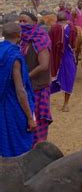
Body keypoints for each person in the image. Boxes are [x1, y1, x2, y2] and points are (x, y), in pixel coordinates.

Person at [0, 23, 36, 157]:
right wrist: (29, 118)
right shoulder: (15, 57)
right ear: (18, 36)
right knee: (18, 145)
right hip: (12, 107)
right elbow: (20, 91)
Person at [18, 11, 52, 144]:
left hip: (38, 87)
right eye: (19, 21)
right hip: (26, 87)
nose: (21, 24)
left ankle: (38, 150)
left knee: (37, 120)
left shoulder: (40, 39)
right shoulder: (22, 40)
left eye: (24, 21)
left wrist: (25, 77)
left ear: (35, 22)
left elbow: (44, 65)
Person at [49, 11, 77, 112]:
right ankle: (65, 104)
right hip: (67, 57)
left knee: (50, 78)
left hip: (54, 58)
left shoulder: (52, 28)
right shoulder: (71, 29)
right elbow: (73, 46)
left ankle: (45, 101)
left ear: (57, 19)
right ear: (66, 20)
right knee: (69, 77)